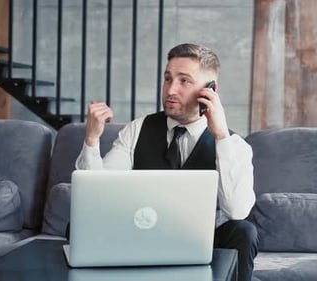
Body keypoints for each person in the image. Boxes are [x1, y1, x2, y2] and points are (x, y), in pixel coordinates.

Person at [75, 43, 258, 281]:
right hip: (140, 233)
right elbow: (96, 197)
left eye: (184, 81)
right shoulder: (137, 129)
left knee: (244, 232)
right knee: (78, 228)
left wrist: (221, 137)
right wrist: (91, 139)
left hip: (201, 239)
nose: (171, 90)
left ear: (210, 90)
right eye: (167, 78)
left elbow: (236, 210)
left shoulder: (235, 146)